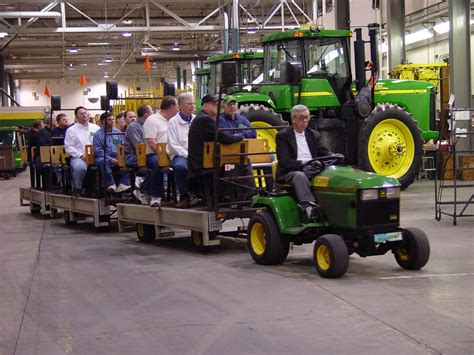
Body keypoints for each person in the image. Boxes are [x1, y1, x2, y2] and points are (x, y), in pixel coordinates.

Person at [275, 104, 331, 221]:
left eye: (306, 117)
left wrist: (334, 156)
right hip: (291, 171)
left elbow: (325, 152)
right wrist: (302, 163)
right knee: (300, 176)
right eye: (301, 118)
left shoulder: (313, 134)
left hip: (313, 168)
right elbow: (284, 161)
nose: (305, 120)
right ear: (293, 119)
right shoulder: (283, 136)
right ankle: (310, 209)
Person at [188, 94, 243, 199]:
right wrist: (239, 137)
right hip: (201, 165)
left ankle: (232, 196)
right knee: (240, 162)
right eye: (215, 104)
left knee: (237, 161)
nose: (219, 107)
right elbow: (224, 139)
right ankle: (241, 196)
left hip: (202, 161)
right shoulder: (205, 120)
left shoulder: (202, 118)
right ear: (206, 106)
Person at [143, 96, 178, 207]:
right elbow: (151, 142)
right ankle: (155, 196)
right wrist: (164, 155)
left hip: (172, 153)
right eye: (177, 106)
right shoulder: (152, 120)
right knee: (159, 162)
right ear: (172, 107)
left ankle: (185, 194)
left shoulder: (175, 120)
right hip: (153, 154)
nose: (178, 109)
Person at [166, 93, 197, 208]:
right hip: (179, 154)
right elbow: (173, 145)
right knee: (180, 167)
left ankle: (199, 194)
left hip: (195, 153)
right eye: (189, 104)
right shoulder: (173, 122)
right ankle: (184, 196)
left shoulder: (196, 119)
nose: (192, 106)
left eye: (193, 103)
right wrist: (187, 155)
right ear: (180, 105)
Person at [64, 106, 100, 194]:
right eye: (81, 114)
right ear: (76, 117)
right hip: (79, 157)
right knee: (80, 168)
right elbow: (68, 147)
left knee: (105, 165)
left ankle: (102, 189)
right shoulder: (71, 130)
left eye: (85, 113)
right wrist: (81, 155)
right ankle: (78, 188)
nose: (84, 115)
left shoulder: (96, 128)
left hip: (95, 155)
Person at [93, 112, 131, 193]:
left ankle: (123, 184)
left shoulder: (117, 132)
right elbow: (99, 151)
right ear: (103, 121)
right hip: (103, 157)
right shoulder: (97, 134)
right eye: (109, 119)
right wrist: (111, 159)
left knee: (129, 159)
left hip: (117, 155)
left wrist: (121, 157)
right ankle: (111, 184)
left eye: (113, 119)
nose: (112, 121)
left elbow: (122, 145)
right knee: (102, 161)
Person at [125, 105, 152, 204]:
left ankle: (148, 189)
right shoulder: (133, 127)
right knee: (154, 165)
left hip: (146, 154)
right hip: (134, 157)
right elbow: (139, 146)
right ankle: (142, 189)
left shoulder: (147, 125)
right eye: (151, 113)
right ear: (146, 115)